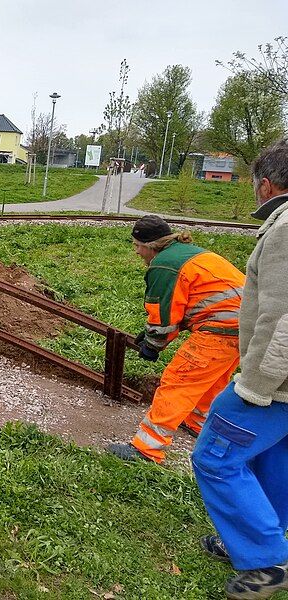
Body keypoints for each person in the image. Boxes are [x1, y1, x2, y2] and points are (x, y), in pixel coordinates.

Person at [192, 141, 288, 599]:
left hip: (275, 382)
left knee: (214, 457)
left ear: (265, 184)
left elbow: (283, 317)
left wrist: (254, 385)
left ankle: (267, 561)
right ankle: (252, 541)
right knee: (276, 458)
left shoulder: (286, 227)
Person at [108, 215, 244, 463]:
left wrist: (153, 344)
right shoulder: (188, 253)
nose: (136, 251)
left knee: (179, 381)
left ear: (150, 246)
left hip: (220, 329)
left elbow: (164, 313)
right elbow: (190, 303)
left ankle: (148, 448)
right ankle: (198, 422)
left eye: (136, 245)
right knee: (211, 381)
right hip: (246, 326)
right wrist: (154, 335)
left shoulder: (163, 265)